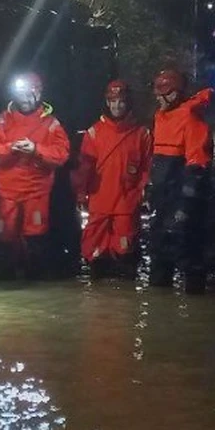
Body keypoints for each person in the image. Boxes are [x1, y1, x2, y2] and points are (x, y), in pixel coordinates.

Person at [0, 72, 70, 279]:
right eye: (21, 94)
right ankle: (6, 281)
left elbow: (62, 154)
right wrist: (10, 148)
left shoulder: (51, 124)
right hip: (7, 192)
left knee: (35, 238)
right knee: (4, 237)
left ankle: (34, 281)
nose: (25, 99)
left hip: (36, 192)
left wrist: (36, 149)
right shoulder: (3, 120)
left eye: (30, 94)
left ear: (38, 94)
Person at [72, 79, 152, 281]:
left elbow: (147, 167)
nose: (117, 106)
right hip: (99, 200)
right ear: (107, 103)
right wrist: (81, 192)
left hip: (126, 202)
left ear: (128, 102)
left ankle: (125, 304)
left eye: (121, 101)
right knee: (94, 252)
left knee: (125, 253)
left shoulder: (141, 134)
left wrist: (143, 192)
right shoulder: (94, 132)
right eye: (113, 101)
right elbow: (84, 168)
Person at [147, 69, 214, 294]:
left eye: (162, 92)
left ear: (175, 93)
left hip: (183, 199)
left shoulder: (191, 118)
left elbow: (198, 165)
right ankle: (158, 307)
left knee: (187, 249)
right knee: (158, 249)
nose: (157, 97)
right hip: (163, 197)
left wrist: (186, 204)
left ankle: (194, 301)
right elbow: (156, 159)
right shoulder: (160, 117)